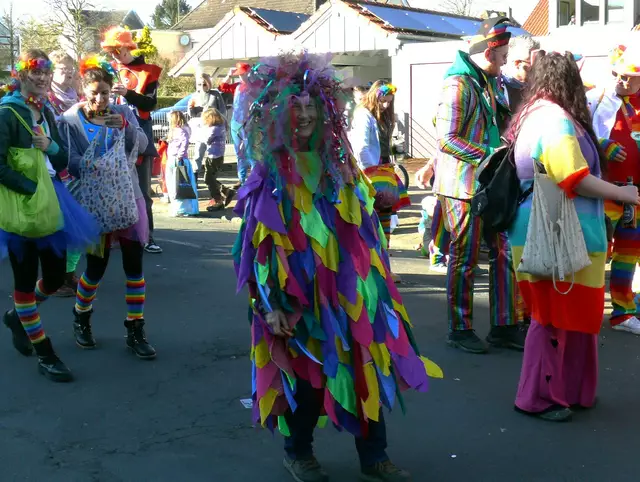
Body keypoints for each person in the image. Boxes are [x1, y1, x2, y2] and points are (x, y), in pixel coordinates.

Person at [232, 53, 440, 482]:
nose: (305, 116)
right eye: (296, 108)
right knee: (307, 377)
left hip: (349, 292)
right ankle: (298, 452)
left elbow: (363, 232)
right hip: (298, 297)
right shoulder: (269, 176)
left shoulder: (341, 168)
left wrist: (375, 285)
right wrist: (270, 304)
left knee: (365, 364)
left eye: (312, 107)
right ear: (279, 114)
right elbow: (259, 249)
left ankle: (375, 456)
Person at [509, 51, 640, 421]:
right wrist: (623, 193)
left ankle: (570, 390)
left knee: (572, 316)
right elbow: (574, 178)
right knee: (554, 316)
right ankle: (539, 396)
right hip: (557, 232)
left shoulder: (535, 113)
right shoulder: (555, 120)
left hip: (552, 230)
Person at [0, 49, 100, 382]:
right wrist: (29, 187)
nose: (42, 78)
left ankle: (17, 317)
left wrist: (50, 147)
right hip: (21, 206)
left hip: (53, 201)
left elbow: (61, 159)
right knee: (25, 280)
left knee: (56, 278)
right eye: (36, 72)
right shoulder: (7, 113)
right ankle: (46, 354)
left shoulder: (46, 111)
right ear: (21, 75)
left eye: (46, 72)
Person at [434, 17, 525, 354]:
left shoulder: (489, 82)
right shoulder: (458, 84)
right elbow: (447, 140)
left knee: (504, 252)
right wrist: (491, 154)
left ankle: (504, 325)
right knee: (464, 258)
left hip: (491, 186)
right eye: (502, 55)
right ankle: (460, 329)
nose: (505, 61)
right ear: (489, 51)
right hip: (462, 187)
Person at [58, 55, 156, 360]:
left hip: (127, 198)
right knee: (95, 269)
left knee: (134, 267)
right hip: (96, 202)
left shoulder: (122, 112)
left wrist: (126, 128)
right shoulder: (70, 121)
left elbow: (142, 145)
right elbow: (68, 160)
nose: (100, 99)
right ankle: (81, 317)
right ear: (84, 91)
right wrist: (93, 162)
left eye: (105, 93)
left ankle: (135, 328)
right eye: (94, 93)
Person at [587, 44, 640, 335]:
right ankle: (587, 310)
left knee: (628, 256)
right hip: (604, 192)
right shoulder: (596, 98)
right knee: (596, 253)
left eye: (630, 77)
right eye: (618, 75)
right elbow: (578, 134)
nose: (622, 81)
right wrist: (602, 145)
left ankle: (623, 313)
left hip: (634, 195)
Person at [101, 26, 163, 254]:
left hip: (139, 136)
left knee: (143, 190)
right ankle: (114, 234)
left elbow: (150, 104)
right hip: (111, 135)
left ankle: (147, 236)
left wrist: (128, 94)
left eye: (118, 50)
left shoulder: (148, 71)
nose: (115, 54)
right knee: (112, 186)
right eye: (111, 50)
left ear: (128, 47)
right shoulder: (108, 70)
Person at [350, 80, 410, 284]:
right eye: (383, 101)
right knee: (370, 222)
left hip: (383, 171)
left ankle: (383, 267)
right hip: (372, 174)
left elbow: (382, 145)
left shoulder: (381, 116)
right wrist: (370, 174)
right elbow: (361, 147)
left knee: (383, 223)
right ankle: (372, 268)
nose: (385, 105)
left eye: (389, 102)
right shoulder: (364, 114)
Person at [46, 50, 84, 297]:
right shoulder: (45, 99)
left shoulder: (77, 96)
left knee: (77, 223)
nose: (68, 73)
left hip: (77, 164)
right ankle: (56, 277)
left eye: (70, 69)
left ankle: (69, 272)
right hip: (55, 166)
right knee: (59, 225)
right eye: (62, 69)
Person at [219, 62, 252, 187]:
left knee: (251, 152)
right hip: (236, 123)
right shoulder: (237, 86)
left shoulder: (256, 86)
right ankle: (242, 179)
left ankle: (255, 178)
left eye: (243, 73)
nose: (241, 76)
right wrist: (229, 75)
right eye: (240, 74)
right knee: (239, 153)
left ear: (249, 73)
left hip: (249, 123)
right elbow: (222, 87)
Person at [165, 110, 199, 217]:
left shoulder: (179, 130)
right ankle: (181, 208)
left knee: (177, 184)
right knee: (178, 183)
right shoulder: (180, 130)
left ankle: (182, 208)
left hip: (177, 159)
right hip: (176, 158)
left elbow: (185, 142)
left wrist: (180, 154)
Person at [201, 107, 235, 211]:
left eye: (206, 119)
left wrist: (201, 132)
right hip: (217, 155)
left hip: (214, 156)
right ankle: (226, 191)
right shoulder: (221, 126)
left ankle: (218, 200)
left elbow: (207, 140)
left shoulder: (215, 129)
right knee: (211, 178)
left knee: (208, 179)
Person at [500, 36, 540, 117]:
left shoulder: (536, 88)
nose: (538, 67)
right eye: (533, 62)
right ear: (517, 63)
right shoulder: (497, 89)